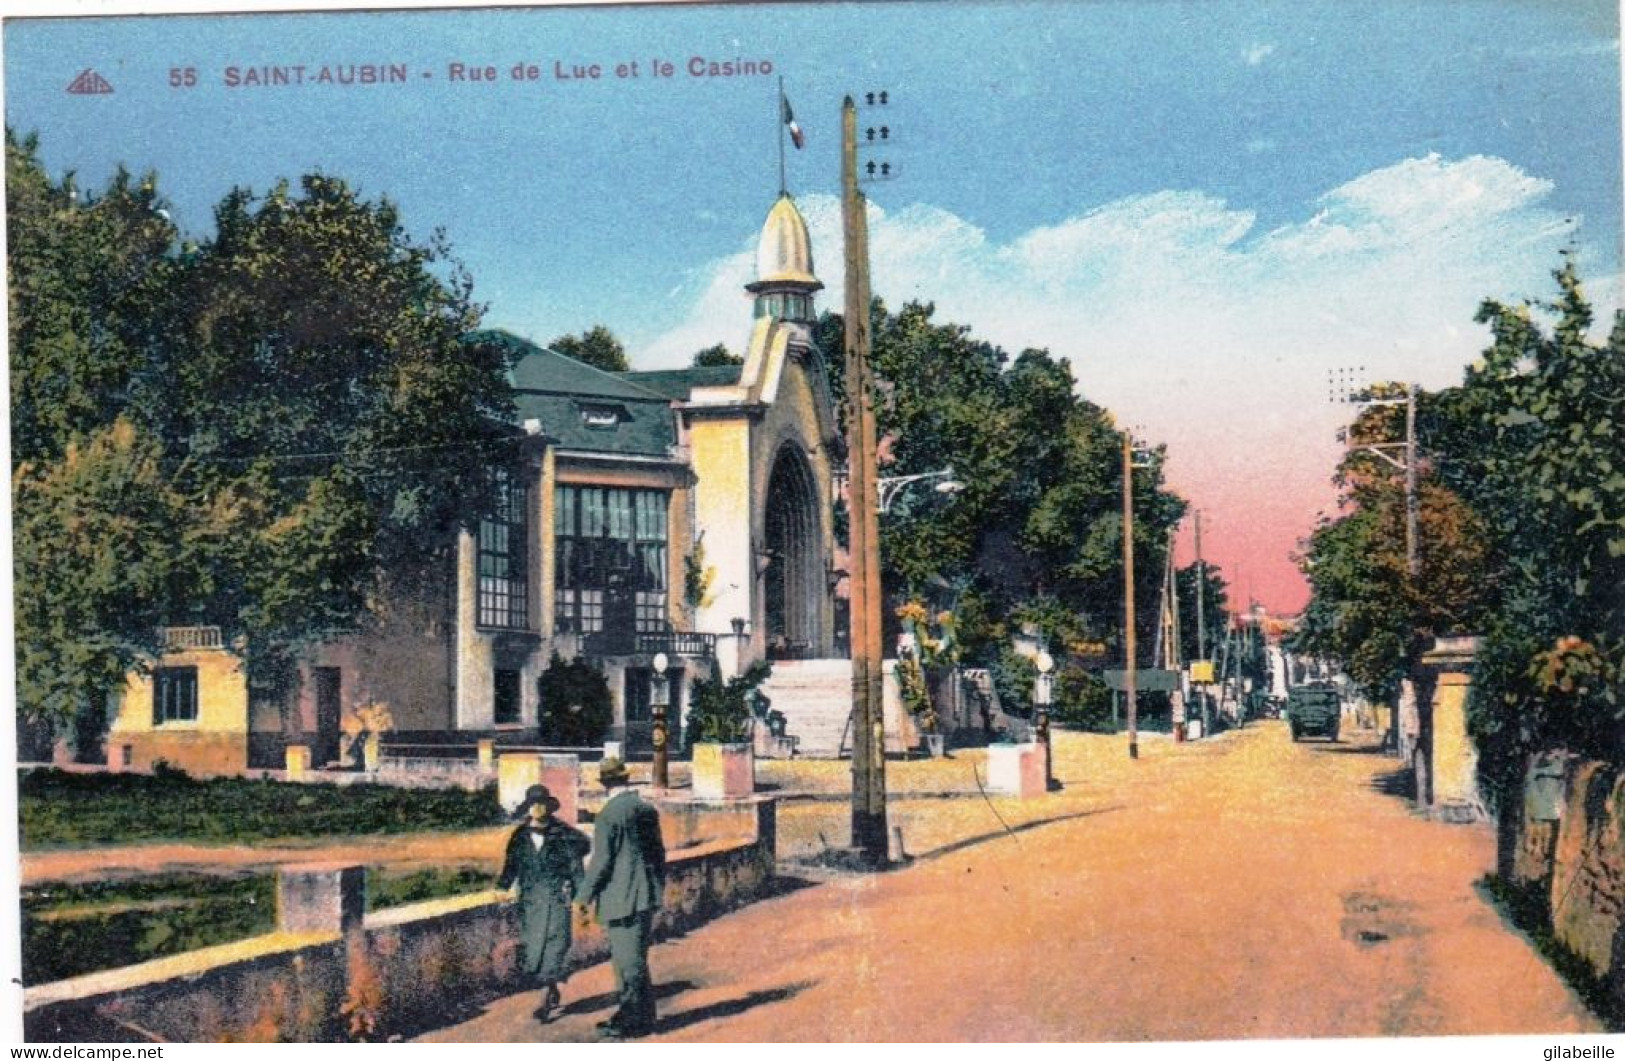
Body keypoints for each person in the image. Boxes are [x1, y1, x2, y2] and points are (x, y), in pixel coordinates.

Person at [578, 757, 666, 1038]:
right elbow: (658, 854)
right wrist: (655, 885)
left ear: (605, 783)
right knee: (635, 959)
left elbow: (601, 861)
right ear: (625, 779)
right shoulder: (645, 809)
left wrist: (583, 896)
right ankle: (638, 1016)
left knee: (627, 963)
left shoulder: (609, 815)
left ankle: (634, 1021)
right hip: (645, 894)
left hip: (621, 897)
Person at [497, 783, 590, 1023]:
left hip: (557, 899)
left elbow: (577, 865)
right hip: (530, 902)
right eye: (532, 804)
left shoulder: (562, 834)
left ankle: (544, 997)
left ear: (548, 807)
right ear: (528, 808)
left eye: (541, 804)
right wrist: (501, 887)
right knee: (534, 949)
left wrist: (580, 897)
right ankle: (551, 988)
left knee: (555, 946)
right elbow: (511, 865)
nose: (537, 808)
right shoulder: (519, 836)